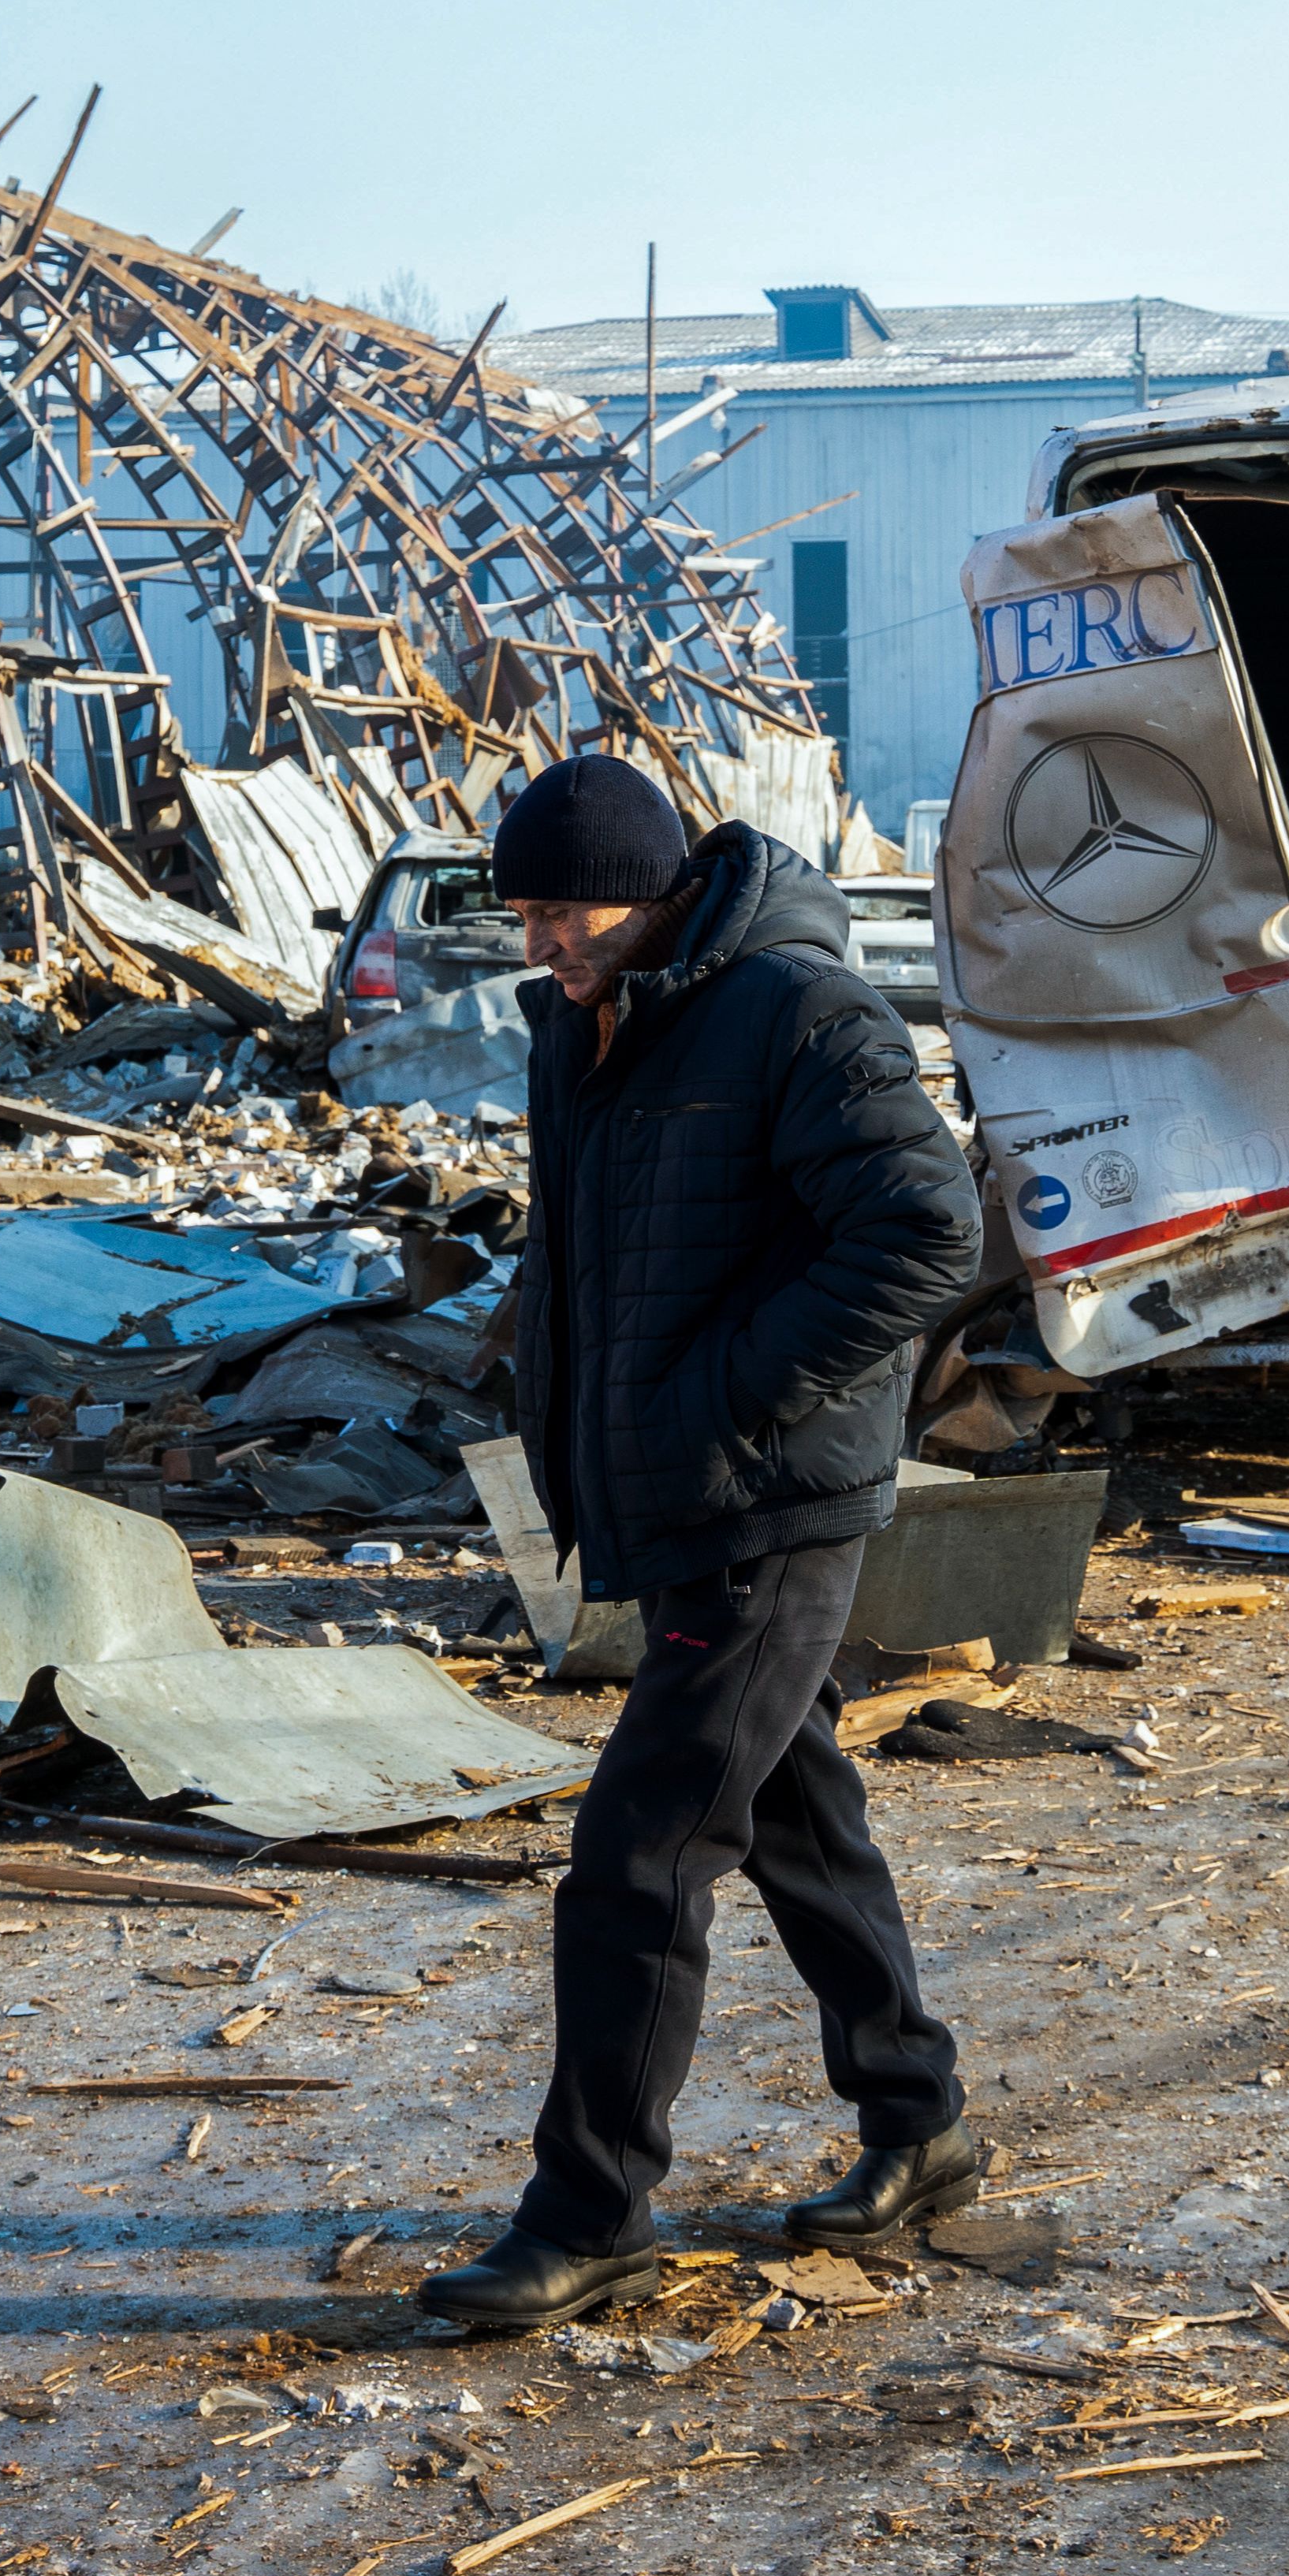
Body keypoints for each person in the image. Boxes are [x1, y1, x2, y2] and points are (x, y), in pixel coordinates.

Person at [420, 753, 989, 2331]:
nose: (540, 941)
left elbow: (925, 1226)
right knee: (793, 1811)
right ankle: (917, 2118)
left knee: (639, 1852)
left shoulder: (793, 1010)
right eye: (523, 915)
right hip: (677, 1490)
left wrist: (723, 1403)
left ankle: (586, 2207)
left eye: (562, 910)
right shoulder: (591, 1023)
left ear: (654, 887)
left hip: (766, 1499)